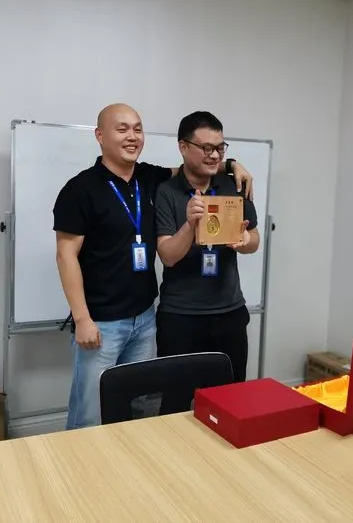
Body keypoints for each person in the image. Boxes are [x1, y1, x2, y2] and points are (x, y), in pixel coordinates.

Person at [53, 103, 254, 429]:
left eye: (137, 128)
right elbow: (65, 256)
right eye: (122, 129)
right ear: (100, 136)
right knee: (91, 412)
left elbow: (194, 166)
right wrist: (82, 319)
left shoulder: (148, 178)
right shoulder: (80, 189)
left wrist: (231, 164)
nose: (132, 136)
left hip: (144, 320)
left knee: (138, 411)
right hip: (102, 323)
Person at [154, 111, 260, 407]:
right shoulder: (166, 192)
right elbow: (167, 256)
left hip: (229, 313)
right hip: (180, 317)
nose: (214, 155)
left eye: (220, 148)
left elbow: (255, 240)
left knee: (231, 402)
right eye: (206, 148)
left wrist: (244, 241)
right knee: (175, 404)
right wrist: (190, 225)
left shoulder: (234, 185)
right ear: (183, 147)